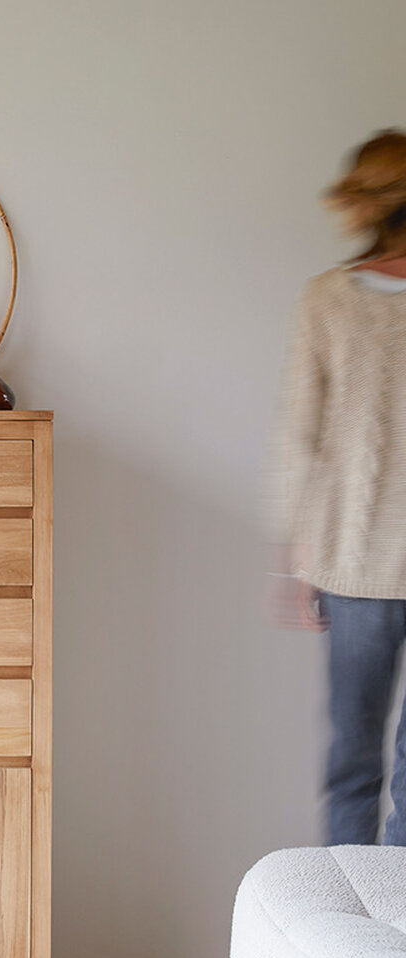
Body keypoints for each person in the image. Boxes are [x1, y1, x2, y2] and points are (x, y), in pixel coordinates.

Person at [270, 128, 406, 846]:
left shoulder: (326, 299)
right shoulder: (323, 299)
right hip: (354, 566)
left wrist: (296, 561)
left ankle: (345, 941)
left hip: (354, 567)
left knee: (352, 763)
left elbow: (301, 439)